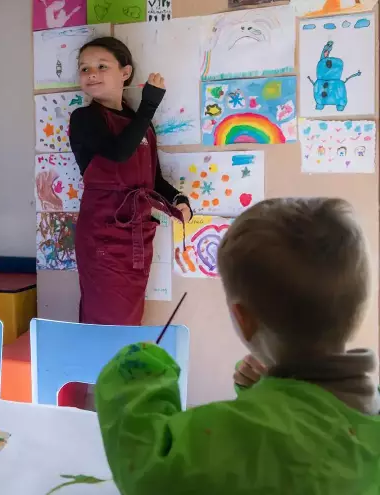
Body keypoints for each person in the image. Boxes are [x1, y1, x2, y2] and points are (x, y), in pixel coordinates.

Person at [95, 197, 380, 494]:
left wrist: (135, 374)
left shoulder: (239, 434)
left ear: (243, 319)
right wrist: (278, 391)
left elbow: (148, 468)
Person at [69, 37, 192, 325]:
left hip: (137, 235)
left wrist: (177, 200)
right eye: (84, 69)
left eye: (101, 66)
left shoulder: (142, 126)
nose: (91, 74)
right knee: (105, 319)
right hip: (102, 235)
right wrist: (149, 105)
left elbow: (153, 179)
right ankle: (99, 371)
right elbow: (118, 153)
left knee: (129, 320)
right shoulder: (84, 118)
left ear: (125, 72)